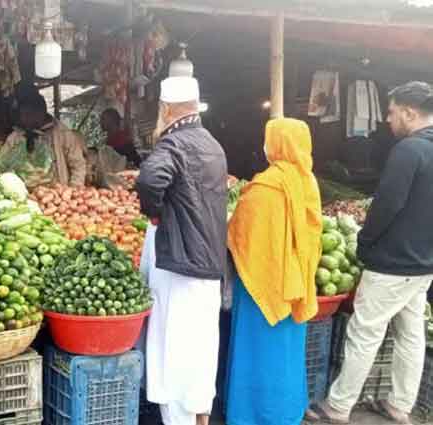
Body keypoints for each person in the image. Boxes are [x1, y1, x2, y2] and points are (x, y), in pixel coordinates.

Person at [308, 81, 433, 424]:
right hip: (423, 265)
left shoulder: (409, 151)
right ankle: (400, 406)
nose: (388, 120)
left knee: (365, 333)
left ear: (410, 112)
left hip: (392, 263)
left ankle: (338, 406)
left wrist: (365, 244)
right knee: (411, 334)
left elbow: (386, 206)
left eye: (392, 112)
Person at [136, 75, 227, 425]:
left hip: (179, 265)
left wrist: (155, 212)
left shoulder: (173, 143)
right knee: (201, 347)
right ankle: (200, 415)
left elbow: (149, 179)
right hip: (208, 265)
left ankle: (179, 420)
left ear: (166, 109)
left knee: (173, 347)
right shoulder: (212, 144)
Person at [225, 118, 323, 425]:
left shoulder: (265, 186)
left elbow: (241, 234)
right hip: (295, 282)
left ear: (277, 144)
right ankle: (286, 411)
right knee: (287, 353)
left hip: (261, 282)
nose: (264, 146)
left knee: (256, 351)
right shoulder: (308, 182)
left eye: (269, 139)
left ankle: (251, 414)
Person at [1, 93, 86, 188]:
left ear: (40, 113)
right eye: (22, 115)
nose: (23, 119)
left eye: (27, 115)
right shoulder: (15, 137)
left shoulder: (63, 133)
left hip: (57, 194)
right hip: (24, 194)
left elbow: (78, 164)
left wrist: (74, 189)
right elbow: (3, 163)